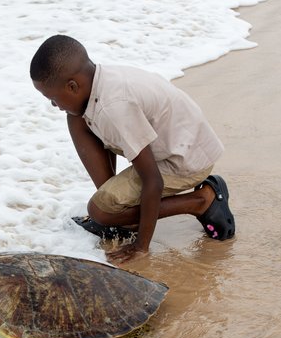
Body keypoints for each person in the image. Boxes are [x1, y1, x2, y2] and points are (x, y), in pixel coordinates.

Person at [30, 35, 235, 264]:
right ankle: (116, 215)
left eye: (52, 98)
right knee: (76, 117)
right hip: (174, 144)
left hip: (184, 161)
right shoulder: (98, 82)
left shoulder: (114, 108)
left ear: (72, 86)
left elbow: (153, 181)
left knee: (99, 211)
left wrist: (141, 246)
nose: (53, 105)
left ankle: (201, 200)